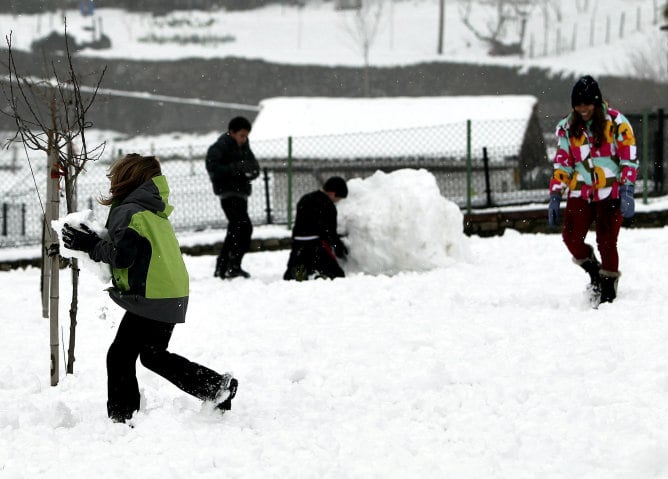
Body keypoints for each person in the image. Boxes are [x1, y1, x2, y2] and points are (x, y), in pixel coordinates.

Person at [61, 153, 238, 423]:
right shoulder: (151, 208)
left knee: (120, 356)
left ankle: (122, 417)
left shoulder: (130, 211)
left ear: (127, 178)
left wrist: (89, 245)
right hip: (170, 291)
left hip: (153, 295)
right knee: (152, 355)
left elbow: (123, 256)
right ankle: (216, 388)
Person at [548, 75, 638, 305]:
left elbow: (629, 158)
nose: (582, 109)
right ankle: (594, 271)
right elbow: (563, 162)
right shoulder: (567, 129)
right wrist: (556, 193)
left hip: (610, 190)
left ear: (596, 103)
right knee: (571, 237)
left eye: (587, 104)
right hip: (580, 190)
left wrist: (627, 189)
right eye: (578, 104)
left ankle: (608, 285)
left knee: (607, 240)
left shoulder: (617, 123)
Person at [205, 116, 260, 279]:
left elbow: (254, 167)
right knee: (241, 226)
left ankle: (227, 266)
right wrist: (236, 168)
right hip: (228, 194)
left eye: (246, 136)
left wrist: (250, 172)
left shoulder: (245, 147)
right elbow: (214, 169)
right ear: (232, 132)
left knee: (237, 228)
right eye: (242, 135)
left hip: (241, 193)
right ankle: (230, 265)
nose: (244, 139)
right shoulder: (219, 147)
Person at [284, 176, 349, 281]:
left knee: (295, 276)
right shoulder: (328, 206)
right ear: (332, 193)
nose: (337, 201)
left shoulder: (305, 199)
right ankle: (322, 273)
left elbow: (298, 225)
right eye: (338, 198)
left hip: (299, 245)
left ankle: (302, 272)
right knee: (338, 276)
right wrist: (338, 247)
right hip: (317, 246)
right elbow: (329, 232)